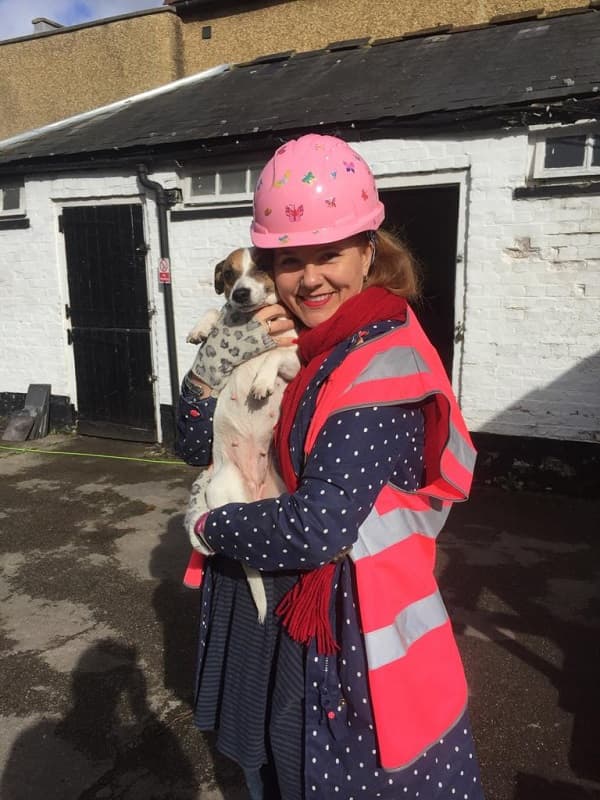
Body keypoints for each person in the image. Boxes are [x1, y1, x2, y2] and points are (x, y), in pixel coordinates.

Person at [178, 134, 484, 800]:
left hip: (336, 618)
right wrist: (217, 361)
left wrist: (211, 527)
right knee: (266, 766)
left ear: (368, 250)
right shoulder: (298, 334)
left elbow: (318, 528)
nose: (309, 277)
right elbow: (190, 436)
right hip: (275, 593)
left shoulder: (378, 358)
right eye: (290, 260)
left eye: (329, 254)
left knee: (318, 771)